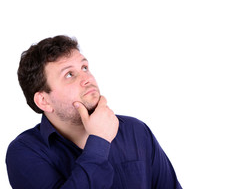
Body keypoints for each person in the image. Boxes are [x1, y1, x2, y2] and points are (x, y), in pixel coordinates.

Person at [6, 35, 182, 189]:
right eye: (69, 74)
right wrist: (99, 142)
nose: (87, 79)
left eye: (84, 67)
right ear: (44, 101)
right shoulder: (24, 153)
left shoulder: (136, 131)